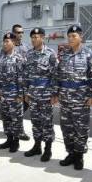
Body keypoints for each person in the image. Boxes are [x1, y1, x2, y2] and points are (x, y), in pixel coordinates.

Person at [51, 24, 92, 170]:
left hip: (81, 100)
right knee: (66, 128)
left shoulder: (89, 54)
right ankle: (70, 153)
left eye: (74, 36)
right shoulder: (64, 54)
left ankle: (79, 156)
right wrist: (56, 92)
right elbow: (58, 75)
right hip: (65, 99)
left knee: (81, 129)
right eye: (69, 36)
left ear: (81, 37)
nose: (71, 38)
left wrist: (91, 96)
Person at [23, 28, 57, 162]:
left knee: (47, 122)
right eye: (32, 37)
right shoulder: (29, 54)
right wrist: (26, 92)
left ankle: (48, 149)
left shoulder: (50, 54)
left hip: (45, 94)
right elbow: (26, 75)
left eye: (37, 37)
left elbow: (55, 75)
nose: (34, 39)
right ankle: (37, 146)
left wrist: (54, 93)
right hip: (33, 94)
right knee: (35, 121)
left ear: (43, 38)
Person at [0, 32, 25, 153]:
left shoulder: (19, 58)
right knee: (6, 117)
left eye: (7, 41)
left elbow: (22, 78)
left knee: (16, 118)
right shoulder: (1, 58)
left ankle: (16, 141)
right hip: (4, 93)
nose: (5, 43)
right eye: (4, 41)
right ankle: (9, 139)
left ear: (14, 43)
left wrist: (20, 95)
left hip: (14, 93)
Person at [11, 24, 31, 141]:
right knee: (16, 107)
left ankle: (15, 125)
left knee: (25, 105)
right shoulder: (8, 47)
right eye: (18, 32)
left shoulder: (26, 48)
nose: (20, 34)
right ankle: (19, 131)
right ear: (13, 33)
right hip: (13, 83)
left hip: (24, 83)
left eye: (22, 32)